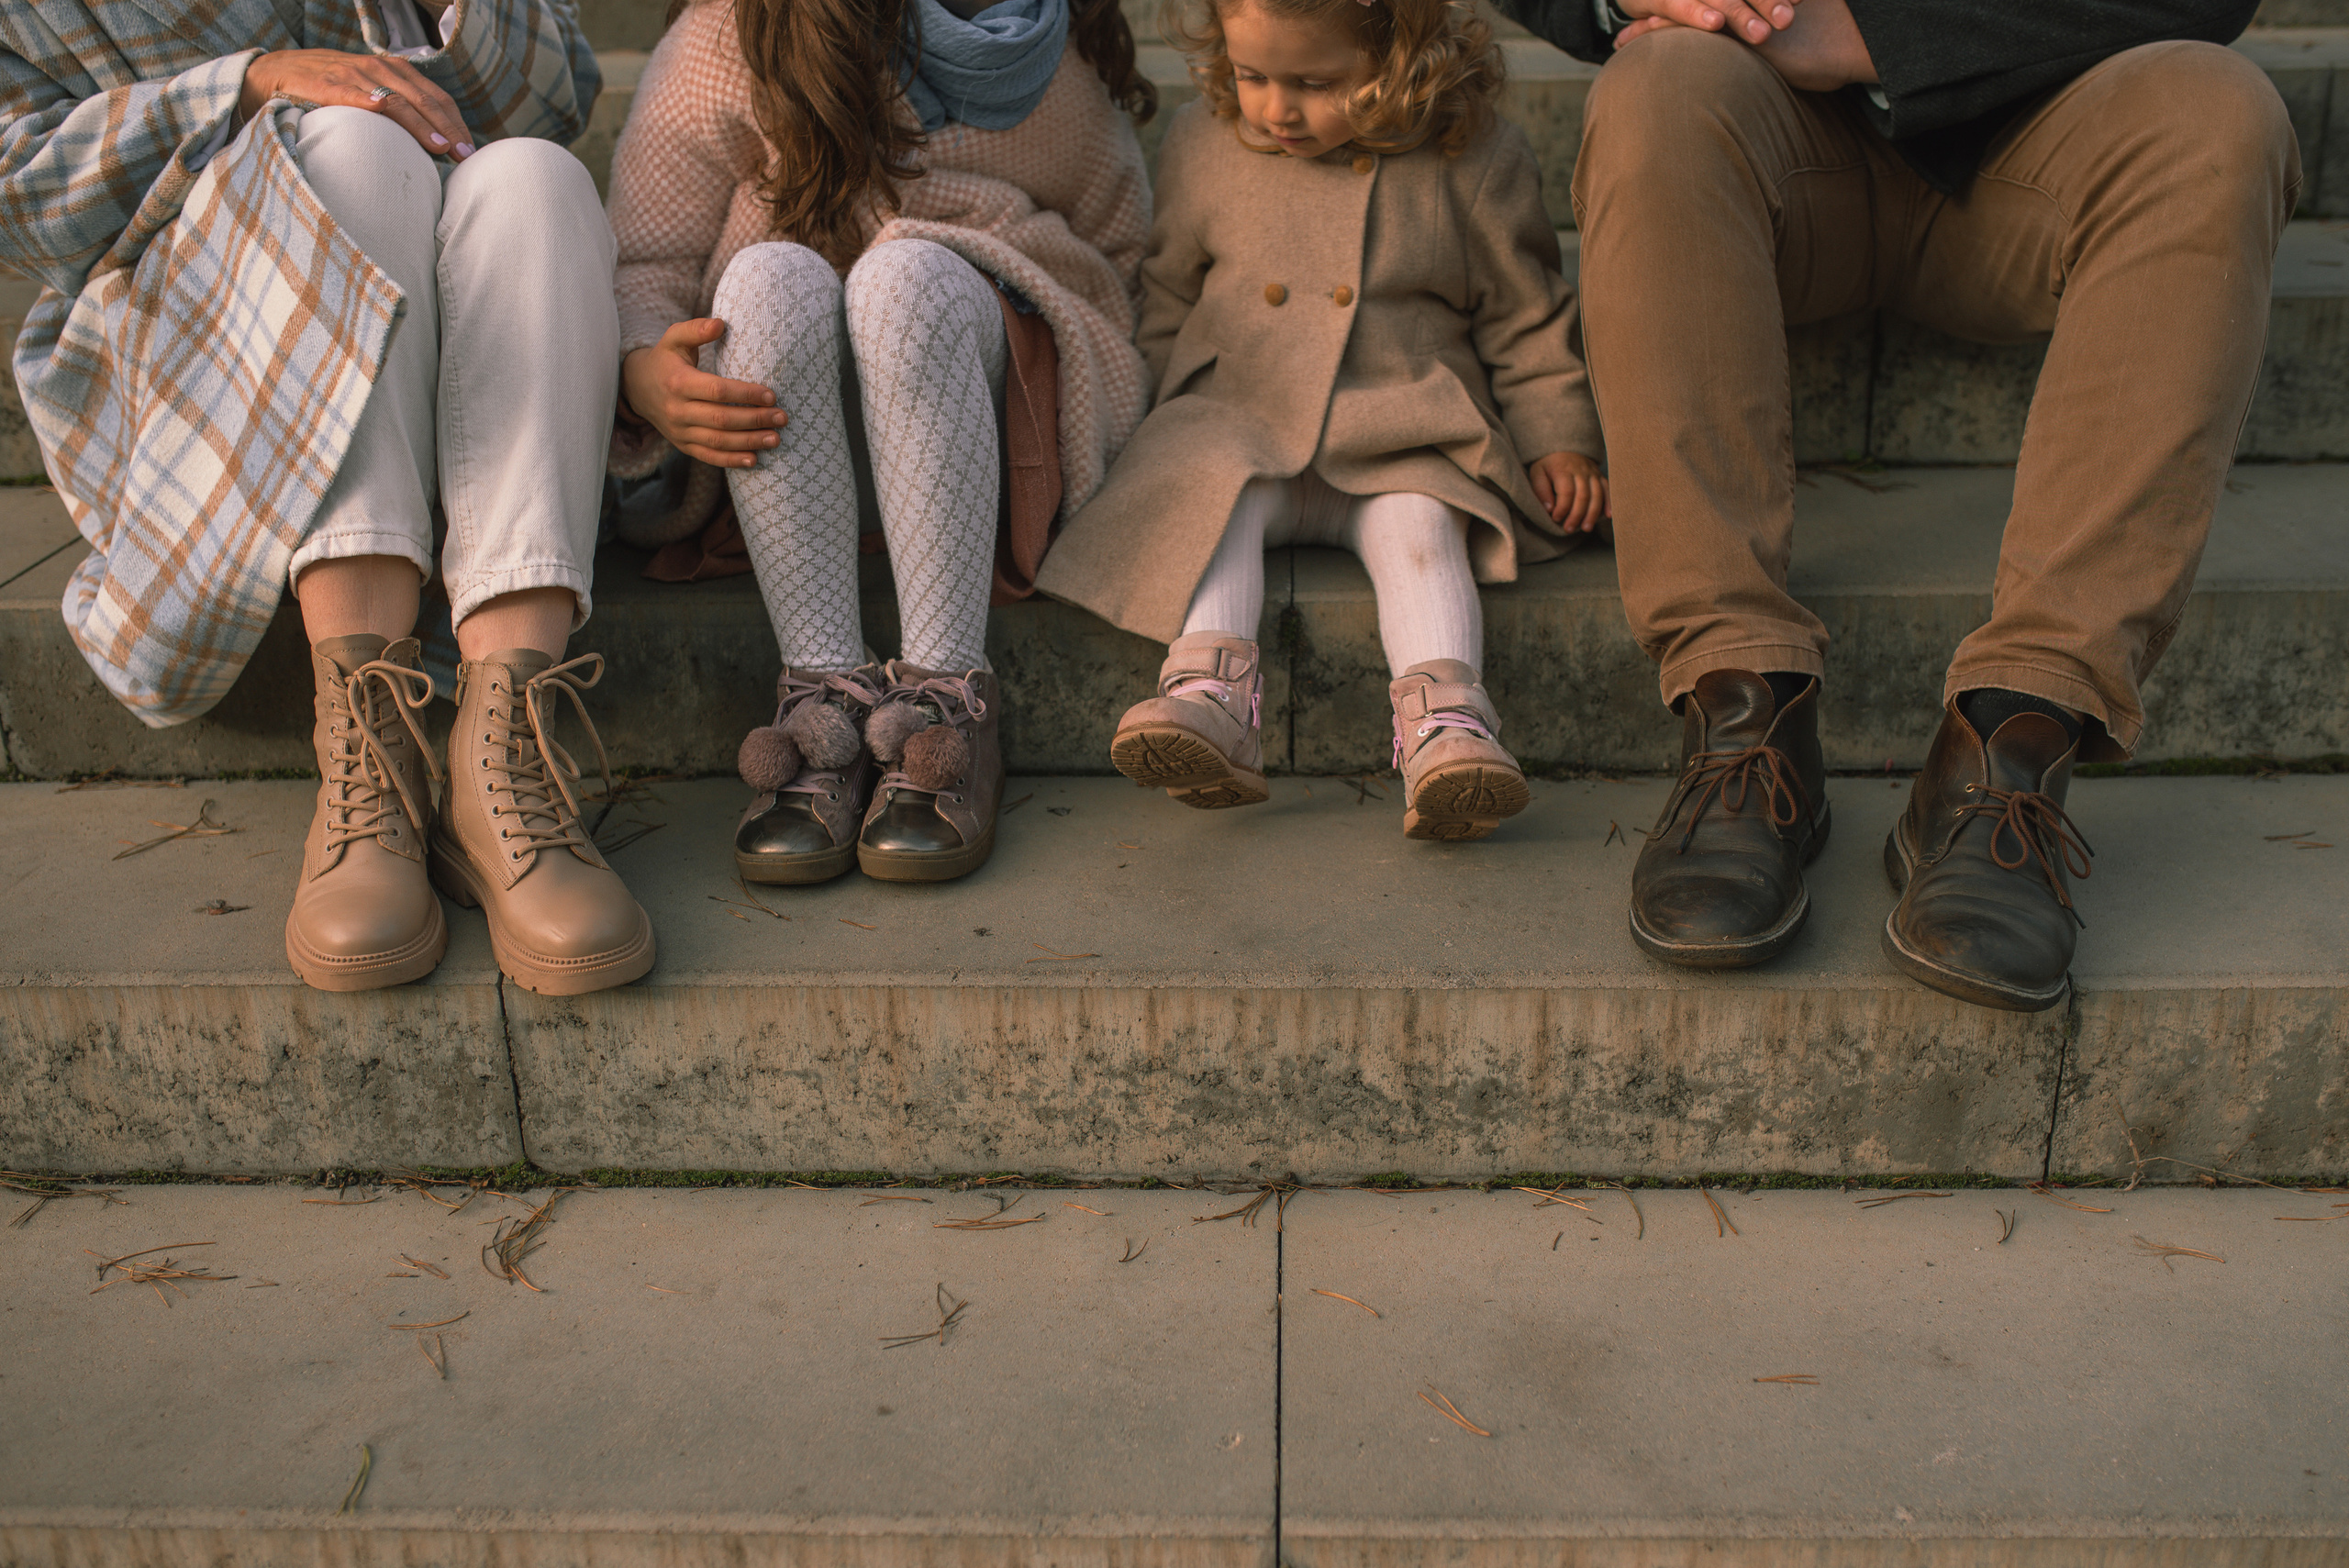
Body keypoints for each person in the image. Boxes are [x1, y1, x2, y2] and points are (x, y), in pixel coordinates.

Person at [1497, 0, 2297, 1006]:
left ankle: (2013, 742)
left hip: (2043, 138)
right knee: (1654, 87)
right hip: (1754, 132)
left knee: (2221, 112)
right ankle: (1741, 714)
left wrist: (1875, 34)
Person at [2, 0, 655, 996]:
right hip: (199, 339)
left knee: (538, 175)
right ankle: (369, 749)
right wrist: (253, 83)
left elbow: (555, 99)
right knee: (350, 144)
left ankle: (505, 754)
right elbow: (22, 198)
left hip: (459, 322)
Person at [606, 0, 1154, 884]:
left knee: (904, 279)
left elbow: (1120, 256)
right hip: (789, 446)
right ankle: (821, 702)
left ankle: (946, 702)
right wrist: (642, 371)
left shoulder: (1049, 46)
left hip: (978, 434)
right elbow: (645, 260)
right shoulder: (732, 35)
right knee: (764, 277)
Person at [1036, 0, 1607, 841]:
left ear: (1405, 55)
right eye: (1253, 75)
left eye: (1315, 82)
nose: (1275, 107)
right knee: (1208, 495)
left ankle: (1446, 725)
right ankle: (1209, 695)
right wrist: (1144, 424)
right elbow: (1166, 291)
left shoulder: (1472, 154)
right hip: (1241, 413)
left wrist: (1560, 434)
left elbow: (1523, 316)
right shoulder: (1205, 141)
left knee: (1420, 526)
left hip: (1400, 419)